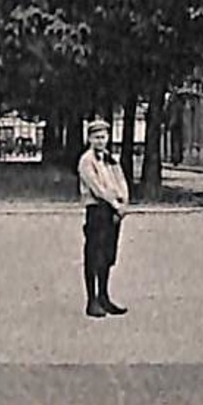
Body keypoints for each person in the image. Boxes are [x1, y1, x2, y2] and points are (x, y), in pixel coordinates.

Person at [78, 119, 130, 318]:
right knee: (94, 254)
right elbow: (97, 188)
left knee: (108, 254)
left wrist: (123, 201)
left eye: (104, 137)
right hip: (97, 209)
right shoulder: (86, 161)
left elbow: (121, 181)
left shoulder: (111, 159)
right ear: (90, 139)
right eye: (96, 137)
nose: (101, 141)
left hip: (113, 211)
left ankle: (104, 296)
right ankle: (92, 301)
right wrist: (115, 203)